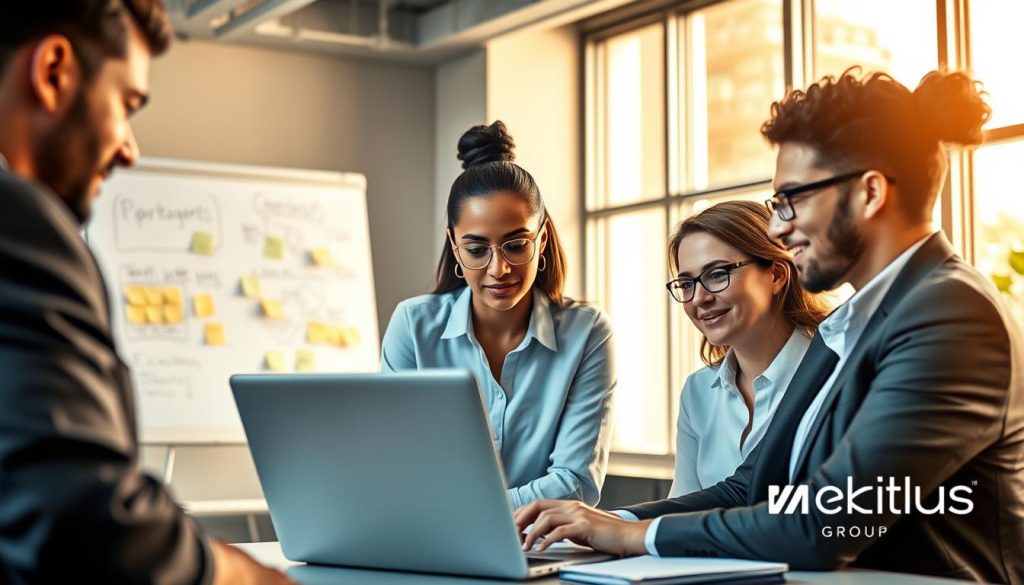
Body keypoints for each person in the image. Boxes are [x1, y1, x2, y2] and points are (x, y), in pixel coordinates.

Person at [516, 69, 1023, 583]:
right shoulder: (849, 326)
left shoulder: (950, 313)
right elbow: (753, 483)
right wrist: (609, 521)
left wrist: (633, 538)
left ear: (870, 193)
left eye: (791, 199)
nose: (778, 227)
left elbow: (826, 523)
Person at [0, 2, 290, 582]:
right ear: (54, 70)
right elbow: (86, 527)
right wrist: (250, 576)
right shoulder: (20, 222)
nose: (129, 148)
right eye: (126, 104)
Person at [381, 121, 616, 509]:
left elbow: (575, 483)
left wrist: (464, 512)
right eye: (477, 250)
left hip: (540, 549)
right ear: (455, 248)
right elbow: (394, 465)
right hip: (433, 543)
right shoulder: (412, 326)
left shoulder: (589, 333)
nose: (498, 269)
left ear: (541, 239)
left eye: (516, 245)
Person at [666, 201, 828, 496]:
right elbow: (681, 507)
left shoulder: (832, 376)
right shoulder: (698, 391)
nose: (698, 298)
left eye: (716, 274)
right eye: (686, 283)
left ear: (777, 275)